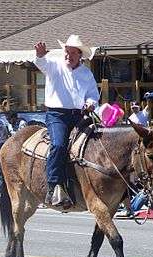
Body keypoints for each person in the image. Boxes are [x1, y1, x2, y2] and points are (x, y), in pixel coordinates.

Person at [34, 34, 100, 206]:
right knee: (58, 144)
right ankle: (53, 185)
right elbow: (42, 64)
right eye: (67, 52)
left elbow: (93, 95)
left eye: (72, 53)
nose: (68, 55)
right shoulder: (54, 65)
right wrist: (40, 55)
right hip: (57, 115)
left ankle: (89, 182)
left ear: (80, 55)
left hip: (79, 115)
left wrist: (91, 103)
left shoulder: (86, 73)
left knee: (97, 141)